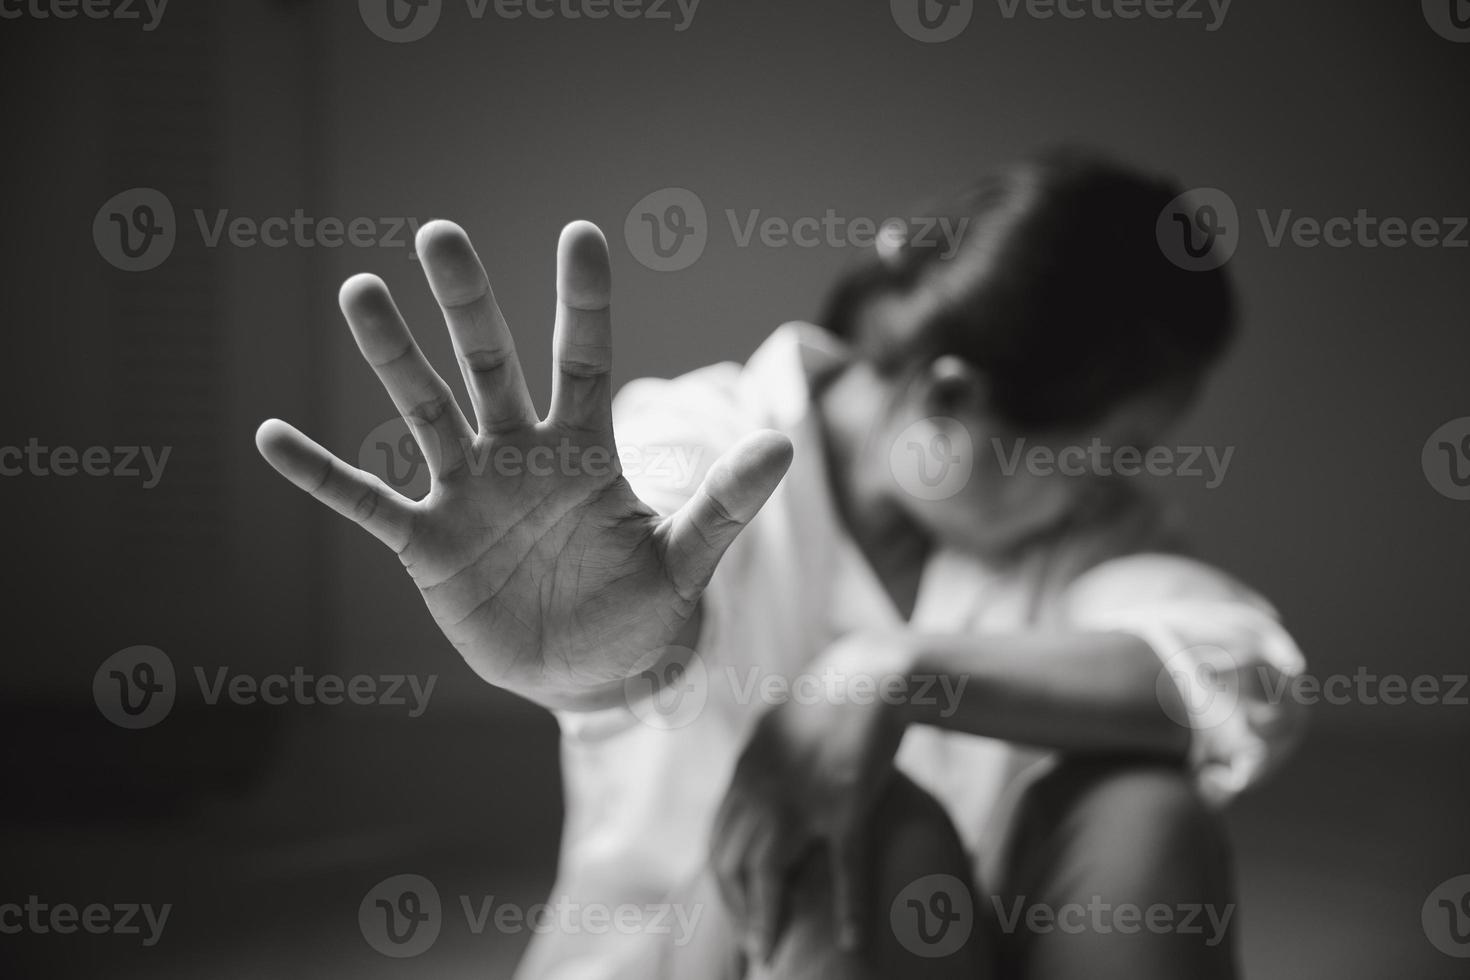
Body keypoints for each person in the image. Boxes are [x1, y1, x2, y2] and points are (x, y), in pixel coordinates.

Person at [255, 150, 1307, 979]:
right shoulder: (700, 440)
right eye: (1103, 453)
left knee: (1145, 804)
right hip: (709, 952)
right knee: (869, 831)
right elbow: (636, 603)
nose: (1110, 488)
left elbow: (1242, 675)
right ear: (949, 398)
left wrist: (884, 673)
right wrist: (599, 652)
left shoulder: (1089, 539)